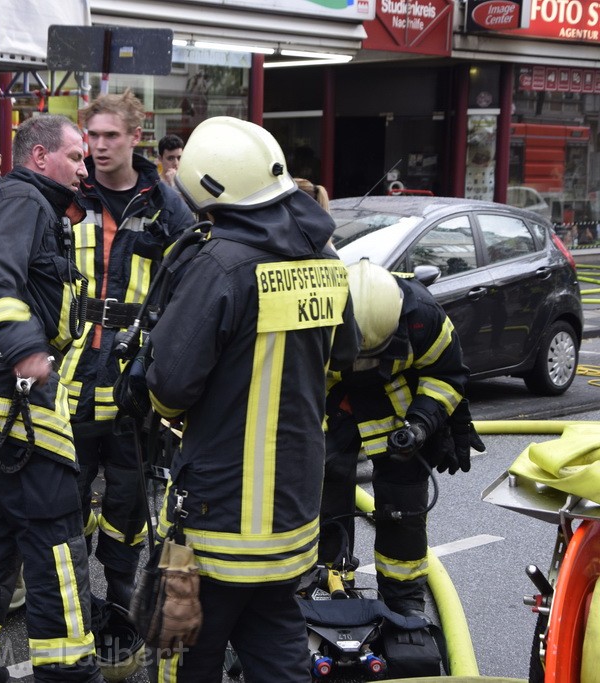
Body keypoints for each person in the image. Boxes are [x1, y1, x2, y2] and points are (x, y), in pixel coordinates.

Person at [144, 117, 360, 682]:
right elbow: (345, 353)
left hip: (216, 516)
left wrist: (172, 416)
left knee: (183, 656)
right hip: (290, 519)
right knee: (278, 656)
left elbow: (168, 383)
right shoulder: (325, 263)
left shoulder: (221, 266)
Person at [0, 114, 101, 683]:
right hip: (9, 399)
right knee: (55, 537)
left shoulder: (32, 206)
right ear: (39, 157)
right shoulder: (24, 203)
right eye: (76, 157)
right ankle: (68, 672)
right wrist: (26, 348)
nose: (85, 167)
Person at [63, 91, 194, 610]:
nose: (97, 146)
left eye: (109, 135)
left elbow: (194, 287)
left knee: (127, 505)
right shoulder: (68, 193)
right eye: (91, 136)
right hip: (68, 380)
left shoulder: (166, 205)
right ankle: (71, 603)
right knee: (63, 501)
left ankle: (119, 599)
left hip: (130, 385)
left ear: (135, 137)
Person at [320, 258, 473, 619]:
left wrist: (422, 425)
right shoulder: (319, 313)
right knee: (323, 486)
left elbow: (447, 375)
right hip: (330, 399)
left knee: (403, 502)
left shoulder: (425, 317)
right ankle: (326, 579)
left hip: (397, 406)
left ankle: (403, 598)